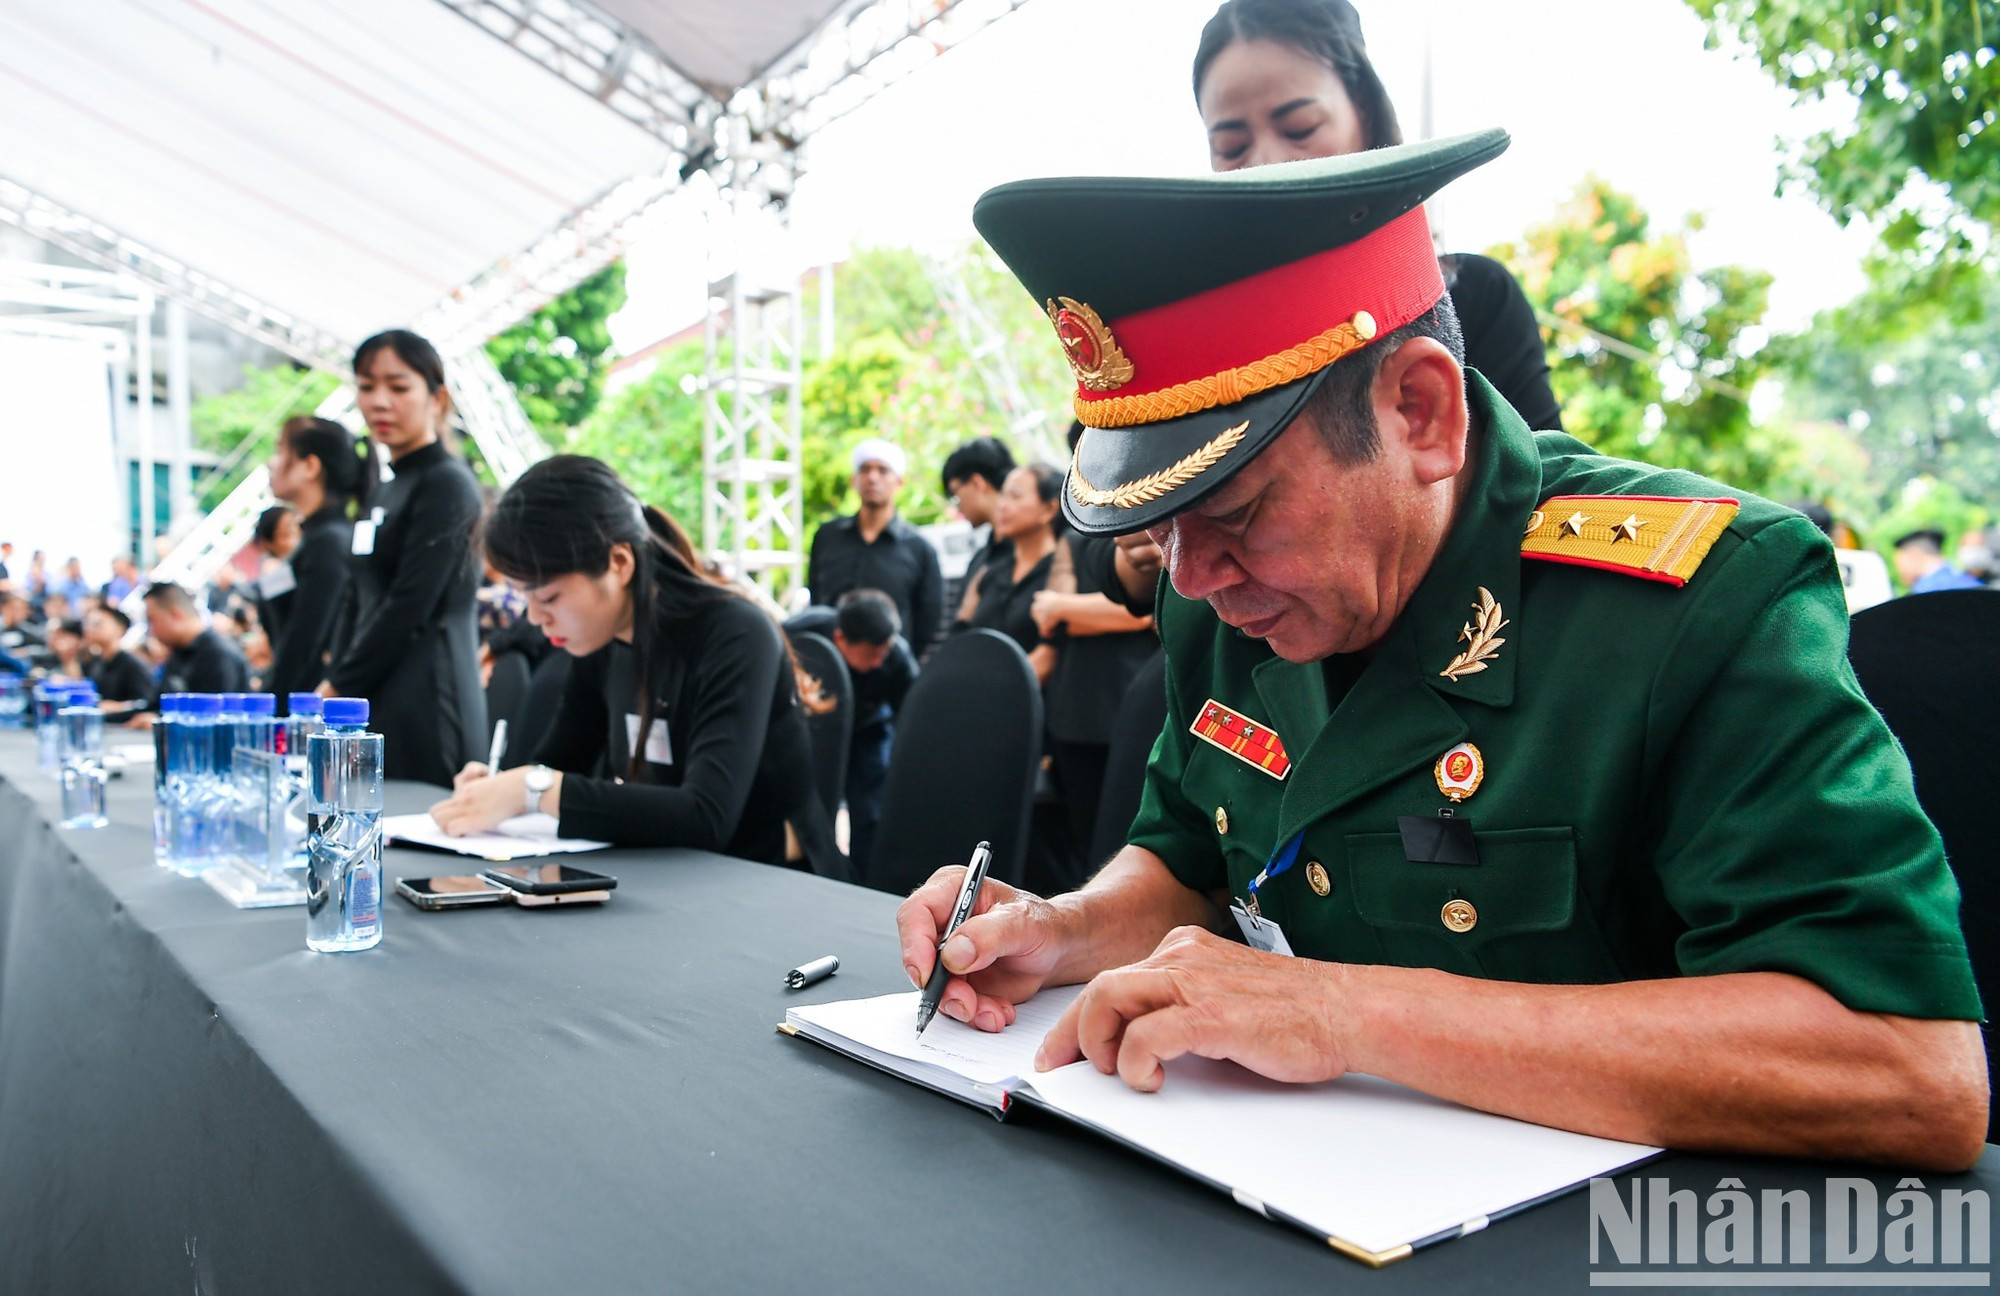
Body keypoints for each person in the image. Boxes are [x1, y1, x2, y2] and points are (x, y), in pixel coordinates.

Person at [895, 134, 1986, 1171]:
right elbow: (1188, 858)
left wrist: (1342, 1013)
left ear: (1419, 413)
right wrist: (1066, 928)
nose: (1188, 579)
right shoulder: (1219, 595)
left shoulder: (1700, 599)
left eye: (1230, 510)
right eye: (1158, 527)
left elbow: (1905, 1067)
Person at [426, 456, 840, 874]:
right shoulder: (602, 642)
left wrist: (534, 790)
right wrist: (501, 789)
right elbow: (558, 764)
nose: (535, 618)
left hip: (770, 887)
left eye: (549, 598)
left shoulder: (735, 633)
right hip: (673, 877)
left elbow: (707, 815)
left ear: (619, 564)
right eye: (524, 597)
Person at [318, 330, 486, 787]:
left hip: (429, 697)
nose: (379, 401)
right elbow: (359, 592)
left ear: (438, 398)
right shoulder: (386, 487)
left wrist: (338, 685)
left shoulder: (447, 483)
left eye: (398, 386)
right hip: (376, 691)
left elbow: (412, 602)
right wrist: (338, 677)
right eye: (366, 386)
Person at [1032, 425, 1159, 881]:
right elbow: (1046, 612)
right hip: (1076, 707)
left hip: (1132, 698)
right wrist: (1081, 610)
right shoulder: (1080, 529)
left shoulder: (1160, 503)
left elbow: (1142, 611)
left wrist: (1071, 609)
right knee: (1090, 838)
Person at [785, 589, 919, 873]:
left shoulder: (898, 658)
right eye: (871, 655)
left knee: (870, 812)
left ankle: (865, 877)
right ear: (840, 639)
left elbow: (911, 720)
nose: (878, 663)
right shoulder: (800, 632)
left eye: (883, 653)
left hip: (868, 730)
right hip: (814, 729)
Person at [807, 439, 945, 659]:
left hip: (891, 675)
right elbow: (816, 597)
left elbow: (928, 620)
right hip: (833, 664)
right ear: (854, 480)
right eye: (865, 469)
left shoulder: (920, 549)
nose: (872, 478)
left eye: (883, 470)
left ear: (899, 482)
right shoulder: (827, 537)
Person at [266, 416, 366, 701]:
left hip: (307, 714)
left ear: (310, 466)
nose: (271, 463)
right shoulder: (316, 539)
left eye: (280, 451)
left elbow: (304, 644)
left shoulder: (328, 543)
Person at [952, 463, 1063, 682]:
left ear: (1049, 509)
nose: (1002, 505)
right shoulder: (992, 570)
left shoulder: (1061, 571)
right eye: (1003, 495)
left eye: (1015, 496)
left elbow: (1050, 655)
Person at [143, 581, 249, 696]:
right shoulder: (179, 652)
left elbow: (213, 711)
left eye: (152, 620)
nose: (151, 630)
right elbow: (157, 704)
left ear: (175, 614)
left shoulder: (218, 655)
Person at [941, 436, 1018, 582]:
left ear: (977, 483)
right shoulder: (984, 557)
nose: (958, 506)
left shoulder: (1029, 544)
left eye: (955, 494)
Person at [81, 605, 155, 720]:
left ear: (120, 629)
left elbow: (146, 702)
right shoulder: (96, 662)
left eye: (97, 624)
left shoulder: (133, 664)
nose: (89, 629)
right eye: (87, 624)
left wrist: (119, 706)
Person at [1893, 528, 1985, 595]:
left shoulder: (1921, 594)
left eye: (1899, 564)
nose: (1899, 571)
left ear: (1914, 555)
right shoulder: (1971, 583)